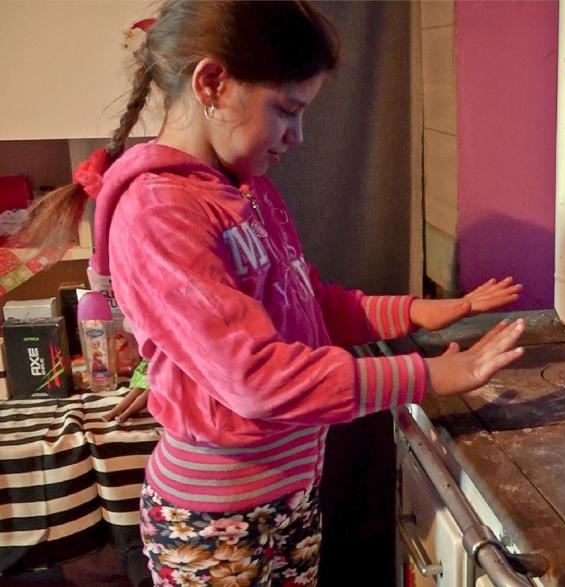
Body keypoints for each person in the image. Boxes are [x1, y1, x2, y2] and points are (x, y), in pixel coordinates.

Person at [20, 2, 525, 585]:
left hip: (284, 499)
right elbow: (254, 378)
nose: (298, 137)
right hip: (218, 522)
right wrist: (428, 376)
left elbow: (315, 304)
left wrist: (421, 312)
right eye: (287, 110)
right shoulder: (159, 211)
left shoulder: (250, 193)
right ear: (212, 83)